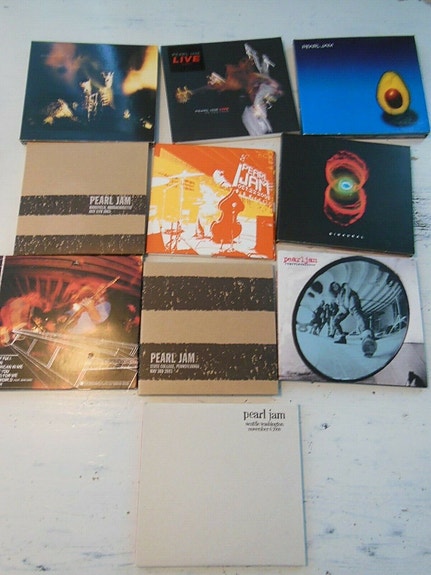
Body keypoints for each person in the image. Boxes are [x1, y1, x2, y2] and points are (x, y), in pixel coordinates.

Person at [328, 281, 377, 357]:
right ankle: (342, 337)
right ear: (332, 289)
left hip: (351, 298)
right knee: (335, 321)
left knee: (355, 312)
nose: (335, 286)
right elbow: (341, 307)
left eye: (336, 284)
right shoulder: (337, 297)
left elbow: (348, 290)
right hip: (345, 306)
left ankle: (367, 336)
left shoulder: (344, 286)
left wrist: (346, 301)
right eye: (333, 286)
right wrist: (340, 310)